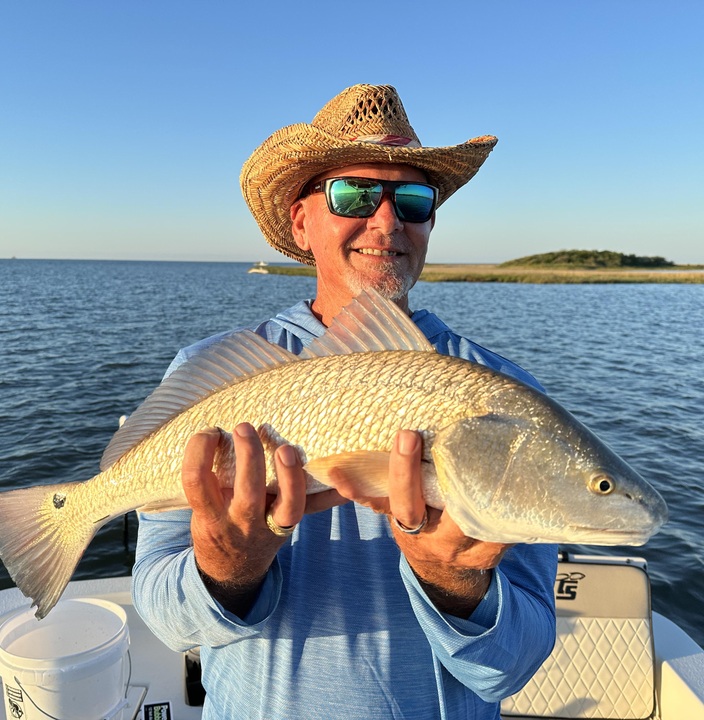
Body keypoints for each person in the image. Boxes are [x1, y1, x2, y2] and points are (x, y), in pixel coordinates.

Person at [132, 84, 557, 719]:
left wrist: (457, 586)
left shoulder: (502, 397)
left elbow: (513, 668)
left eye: (413, 199)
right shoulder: (206, 373)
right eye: (354, 194)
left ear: (430, 224)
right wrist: (227, 570)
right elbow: (169, 621)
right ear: (301, 222)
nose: (386, 222)